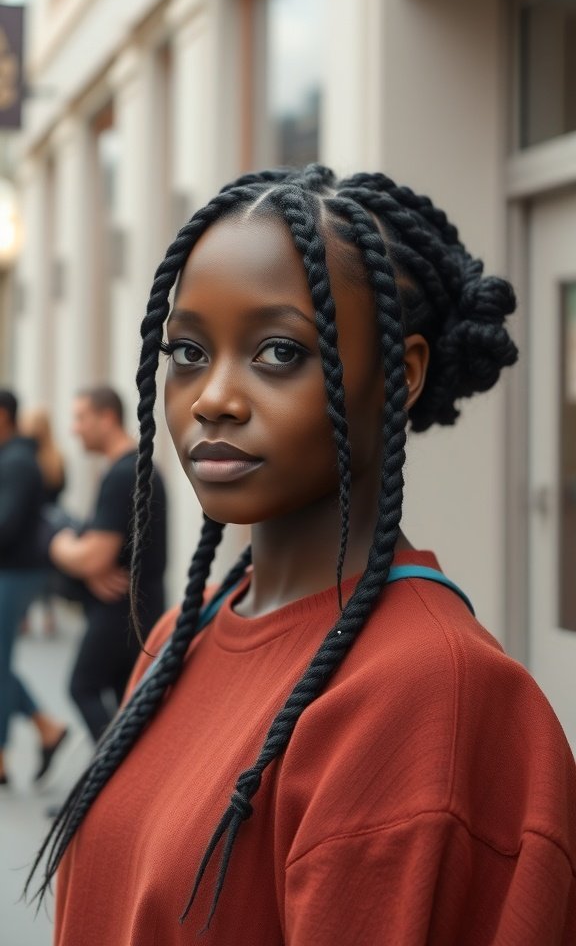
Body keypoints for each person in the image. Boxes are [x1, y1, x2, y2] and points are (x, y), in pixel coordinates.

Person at [28, 166, 576, 944]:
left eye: (279, 351)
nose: (213, 396)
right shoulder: (182, 634)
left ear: (403, 373)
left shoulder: (430, 696)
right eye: (186, 351)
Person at [48, 387, 167, 742]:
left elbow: (91, 557)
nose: (74, 429)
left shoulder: (123, 474)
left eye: (81, 418)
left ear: (107, 418)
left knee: (83, 687)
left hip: (123, 609)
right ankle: (122, 789)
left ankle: (106, 780)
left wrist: (57, 543)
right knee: (127, 703)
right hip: (134, 607)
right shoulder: (131, 468)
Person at [0, 389, 68, 786]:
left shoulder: (18, 461)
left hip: (15, 573)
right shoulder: (15, 457)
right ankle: (46, 726)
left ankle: (3, 756)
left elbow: (6, 526)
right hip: (15, 571)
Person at [19, 406, 67, 636]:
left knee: (30, 564)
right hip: (54, 517)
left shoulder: (27, 458)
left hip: (35, 519)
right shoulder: (56, 455)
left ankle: (25, 618)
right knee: (49, 571)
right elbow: (64, 485)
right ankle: (49, 616)